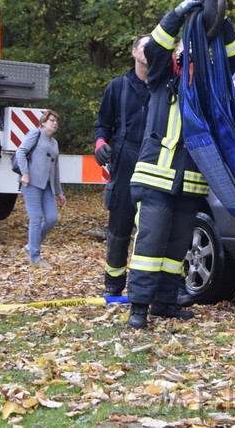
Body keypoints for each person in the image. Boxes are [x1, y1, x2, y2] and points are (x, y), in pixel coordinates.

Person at [126, 0, 235, 329]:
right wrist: (177, 14)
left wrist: (222, 19)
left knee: (176, 246)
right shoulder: (161, 76)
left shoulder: (207, 83)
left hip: (190, 181)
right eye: (183, 47)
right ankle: (139, 308)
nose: (188, 51)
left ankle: (166, 301)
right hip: (155, 179)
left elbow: (231, 59)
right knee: (150, 245)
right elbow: (152, 48)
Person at [94, 34, 151, 297]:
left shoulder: (164, 87)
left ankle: (148, 287)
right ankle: (114, 286)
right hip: (124, 157)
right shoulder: (118, 86)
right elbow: (102, 124)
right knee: (120, 226)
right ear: (134, 52)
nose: (150, 50)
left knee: (152, 227)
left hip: (154, 158)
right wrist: (100, 143)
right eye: (145, 46)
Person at [16, 109, 66, 268]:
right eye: (51, 120)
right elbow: (21, 151)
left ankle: (31, 246)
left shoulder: (55, 142)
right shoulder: (35, 134)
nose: (55, 123)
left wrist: (59, 191)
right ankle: (35, 257)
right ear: (43, 122)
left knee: (52, 218)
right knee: (36, 219)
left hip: (47, 186)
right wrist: (24, 173)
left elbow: (56, 167)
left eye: (56, 121)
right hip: (31, 183)